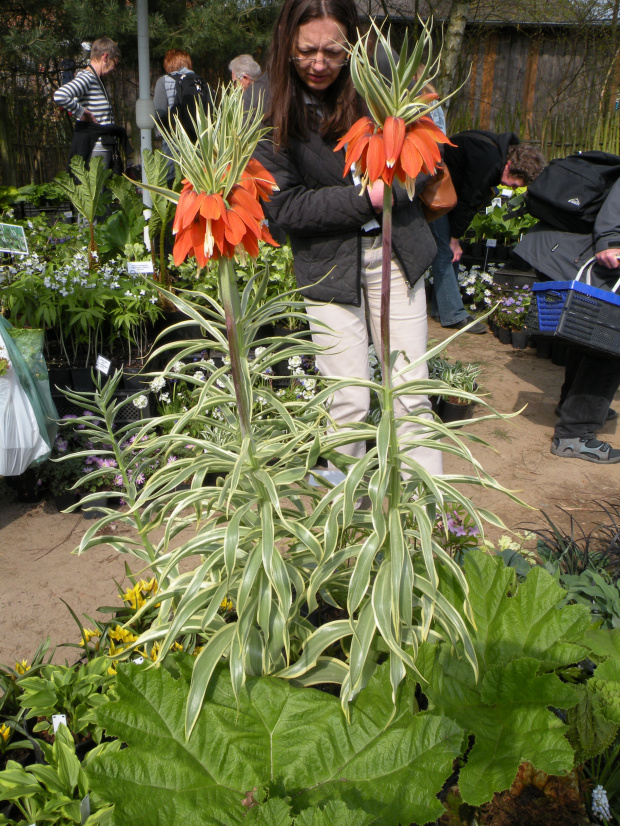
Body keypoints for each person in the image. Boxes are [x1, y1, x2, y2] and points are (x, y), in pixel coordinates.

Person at [250, 0, 443, 477]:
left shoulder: (377, 77)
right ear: (286, 46)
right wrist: (369, 197)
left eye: (333, 52)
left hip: (398, 252)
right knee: (349, 401)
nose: (319, 64)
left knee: (410, 394)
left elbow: (422, 143)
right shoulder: (264, 103)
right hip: (328, 266)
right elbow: (285, 207)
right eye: (306, 52)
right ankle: (343, 524)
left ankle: (434, 525)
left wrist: (404, 169)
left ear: (352, 45)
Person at [515, 176, 620, 463]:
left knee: (589, 334)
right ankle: (574, 434)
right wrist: (612, 239)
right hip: (593, 254)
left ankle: (571, 405)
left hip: (567, 251)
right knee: (610, 343)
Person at [430, 132, 545, 333]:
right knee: (446, 250)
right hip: (435, 191)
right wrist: (454, 239)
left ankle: (443, 309)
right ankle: (454, 315)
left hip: (447, 192)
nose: (509, 186)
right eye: (514, 183)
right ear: (510, 167)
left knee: (449, 251)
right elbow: (469, 200)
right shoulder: (489, 161)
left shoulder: (496, 151)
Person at [53, 37, 122, 168]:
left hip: (101, 146)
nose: (115, 69)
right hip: (95, 147)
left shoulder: (95, 80)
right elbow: (60, 95)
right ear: (105, 57)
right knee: (96, 188)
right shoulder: (87, 77)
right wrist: (82, 112)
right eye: (115, 63)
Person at [153, 49, 197, 183]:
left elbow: (159, 112)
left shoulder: (164, 81)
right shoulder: (198, 81)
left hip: (174, 140)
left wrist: (163, 132)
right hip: (197, 141)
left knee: (174, 182)